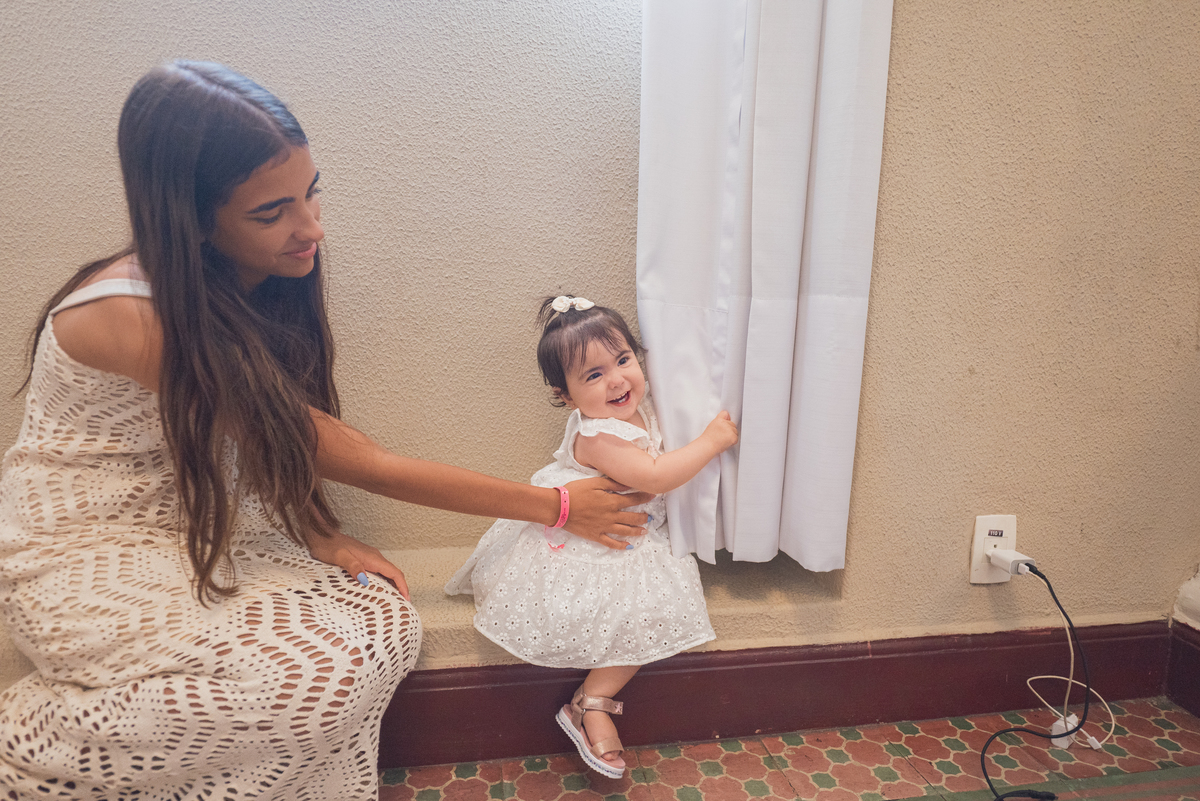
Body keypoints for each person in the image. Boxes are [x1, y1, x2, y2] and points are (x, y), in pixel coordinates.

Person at [0, 62, 651, 801]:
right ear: (192, 217)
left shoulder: (253, 273)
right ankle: (25, 748)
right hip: (87, 546)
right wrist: (561, 507)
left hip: (200, 514)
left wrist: (319, 535)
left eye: (311, 193)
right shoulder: (138, 314)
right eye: (271, 212)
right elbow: (359, 459)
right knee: (311, 683)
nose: (311, 227)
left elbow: (271, 437)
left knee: (390, 623)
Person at [444, 295, 738, 778]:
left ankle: (589, 702)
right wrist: (711, 441)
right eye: (593, 376)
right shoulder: (598, 435)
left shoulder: (643, 406)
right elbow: (656, 476)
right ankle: (592, 704)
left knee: (647, 608)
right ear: (565, 395)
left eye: (623, 360)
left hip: (630, 534)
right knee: (632, 607)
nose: (617, 380)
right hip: (587, 538)